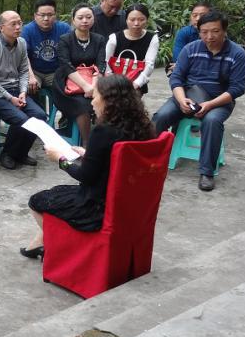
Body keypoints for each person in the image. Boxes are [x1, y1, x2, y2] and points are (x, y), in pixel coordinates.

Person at [20, 73, 155, 258]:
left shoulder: (103, 131)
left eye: (96, 96)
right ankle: (36, 245)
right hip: (128, 200)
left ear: (109, 101)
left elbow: (85, 176)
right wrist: (88, 154)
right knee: (57, 193)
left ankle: (62, 247)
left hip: (97, 206)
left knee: (38, 201)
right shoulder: (142, 127)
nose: (92, 102)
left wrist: (60, 158)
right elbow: (118, 159)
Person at [152, 11, 245, 192]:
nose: (209, 36)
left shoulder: (237, 54)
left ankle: (207, 172)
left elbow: (237, 88)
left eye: (215, 31)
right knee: (161, 116)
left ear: (225, 30)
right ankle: (146, 157)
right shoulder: (191, 49)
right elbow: (176, 78)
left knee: (212, 121)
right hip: (187, 95)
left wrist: (210, 105)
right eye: (204, 32)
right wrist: (181, 100)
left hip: (219, 101)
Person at [0, 11, 47, 170]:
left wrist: (23, 91)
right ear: (1, 27)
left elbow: (24, 70)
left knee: (40, 115)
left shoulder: (21, 43)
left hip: (16, 90)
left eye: (20, 23)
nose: (18, 27)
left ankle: (21, 153)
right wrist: (10, 98)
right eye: (13, 24)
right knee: (21, 119)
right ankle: (8, 154)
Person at [51, 3, 107, 146]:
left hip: (93, 81)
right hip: (68, 83)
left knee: (106, 103)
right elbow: (66, 65)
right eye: (80, 17)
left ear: (94, 19)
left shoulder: (99, 39)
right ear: (73, 20)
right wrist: (86, 87)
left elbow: (100, 64)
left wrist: (93, 87)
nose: (85, 21)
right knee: (82, 105)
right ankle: (87, 144)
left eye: (88, 17)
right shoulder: (65, 39)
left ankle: (102, 142)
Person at [105, 3, 159, 95]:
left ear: (147, 20)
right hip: (113, 82)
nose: (136, 23)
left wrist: (136, 84)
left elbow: (149, 64)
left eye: (141, 19)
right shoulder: (114, 38)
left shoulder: (152, 39)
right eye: (132, 20)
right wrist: (113, 82)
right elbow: (106, 61)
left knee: (131, 100)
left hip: (137, 82)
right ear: (126, 20)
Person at [22, 0, 71, 93]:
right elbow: (24, 56)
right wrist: (31, 76)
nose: (46, 19)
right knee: (27, 88)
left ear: (55, 15)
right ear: (35, 16)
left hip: (55, 72)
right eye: (42, 15)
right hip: (34, 71)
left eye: (50, 15)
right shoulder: (27, 30)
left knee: (65, 88)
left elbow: (70, 53)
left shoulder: (64, 29)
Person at [169, 0, 213, 73]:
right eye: (194, 15)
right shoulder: (184, 33)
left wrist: (186, 65)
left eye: (202, 15)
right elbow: (178, 60)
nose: (197, 19)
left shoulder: (217, 33)